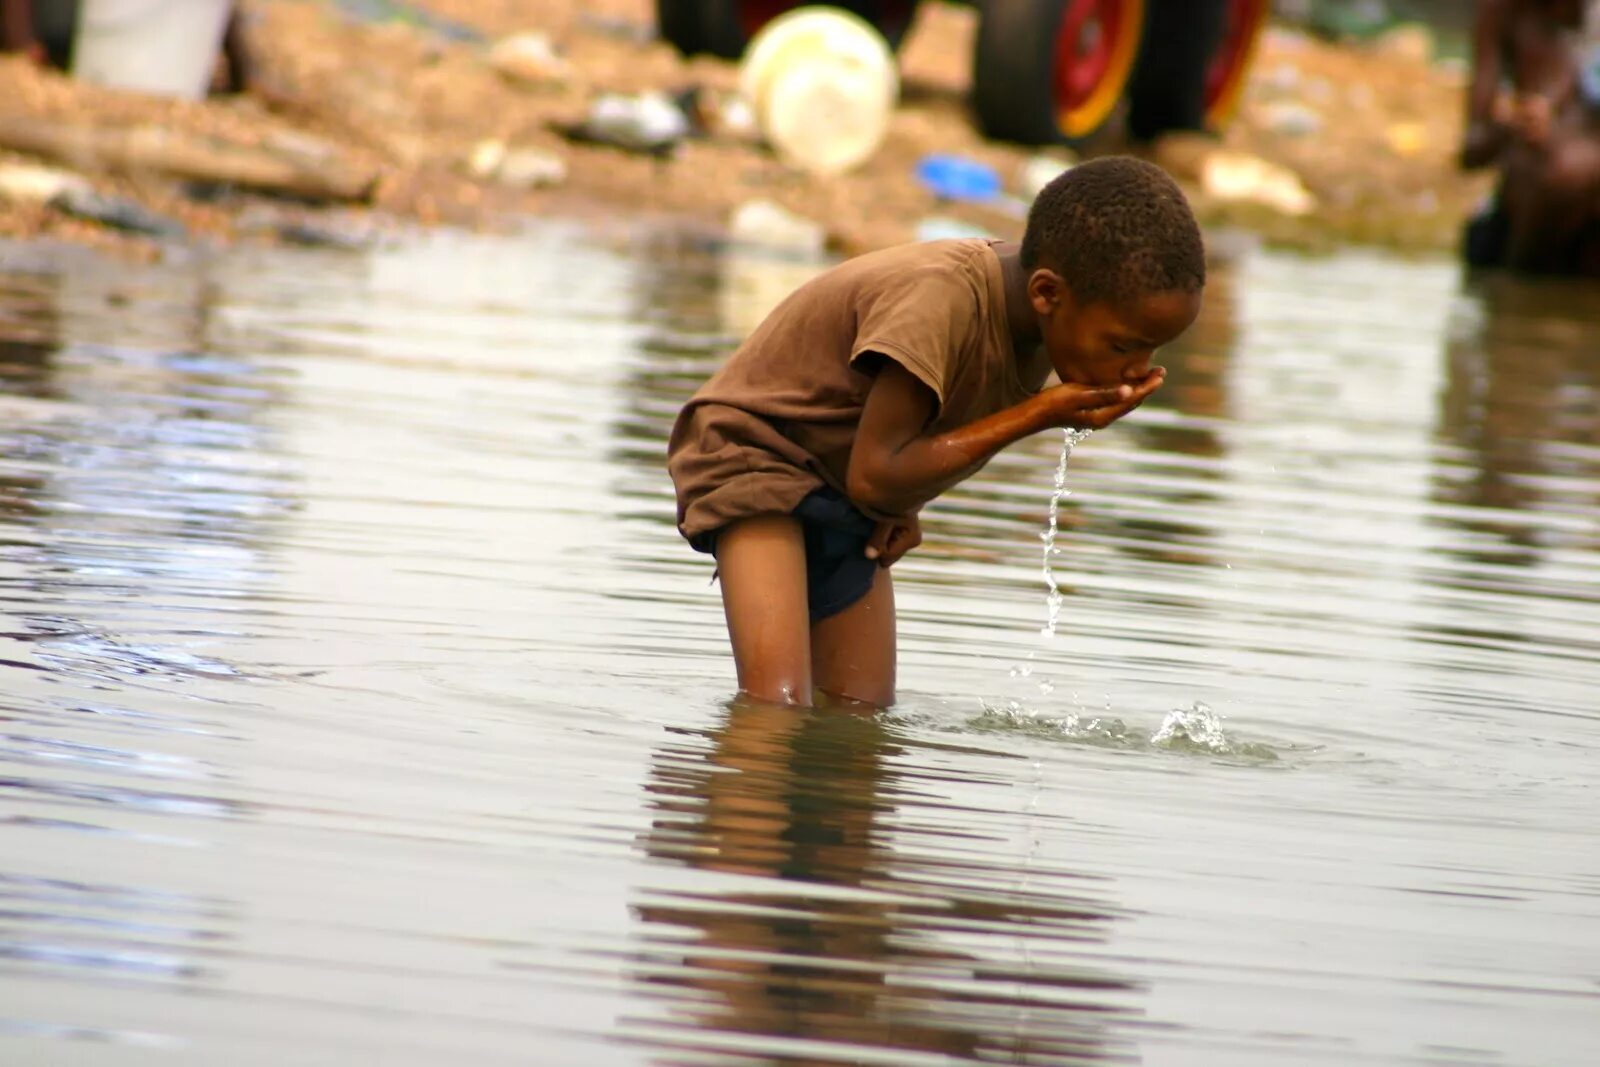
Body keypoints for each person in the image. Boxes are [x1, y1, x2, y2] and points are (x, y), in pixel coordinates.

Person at [667, 156, 1205, 708]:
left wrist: (906, 505)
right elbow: (877, 474)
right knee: (774, 708)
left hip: (844, 479)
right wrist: (1041, 414)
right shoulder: (939, 300)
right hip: (755, 453)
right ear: (1048, 294)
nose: (1139, 368)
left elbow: (925, 430)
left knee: (861, 716)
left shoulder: (1046, 321)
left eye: (1153, 349)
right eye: (1122, 346)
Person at [1461, 0, 1600, 275]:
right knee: (1563, 170)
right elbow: (1471, 152)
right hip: (1530, 204)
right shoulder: (1508, 13)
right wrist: (1514, 125)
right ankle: (1515, 295)